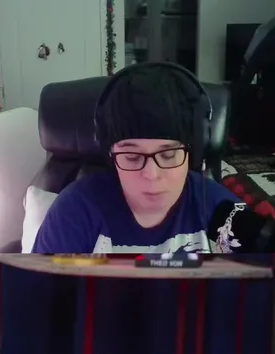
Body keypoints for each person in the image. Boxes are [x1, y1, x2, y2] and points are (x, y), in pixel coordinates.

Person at [32, 63, 239, 254]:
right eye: (132, 157)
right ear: (110, 155)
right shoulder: (73, 213)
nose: (151, 174)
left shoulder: (222, 210)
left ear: (193, 154)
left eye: (168, 155)